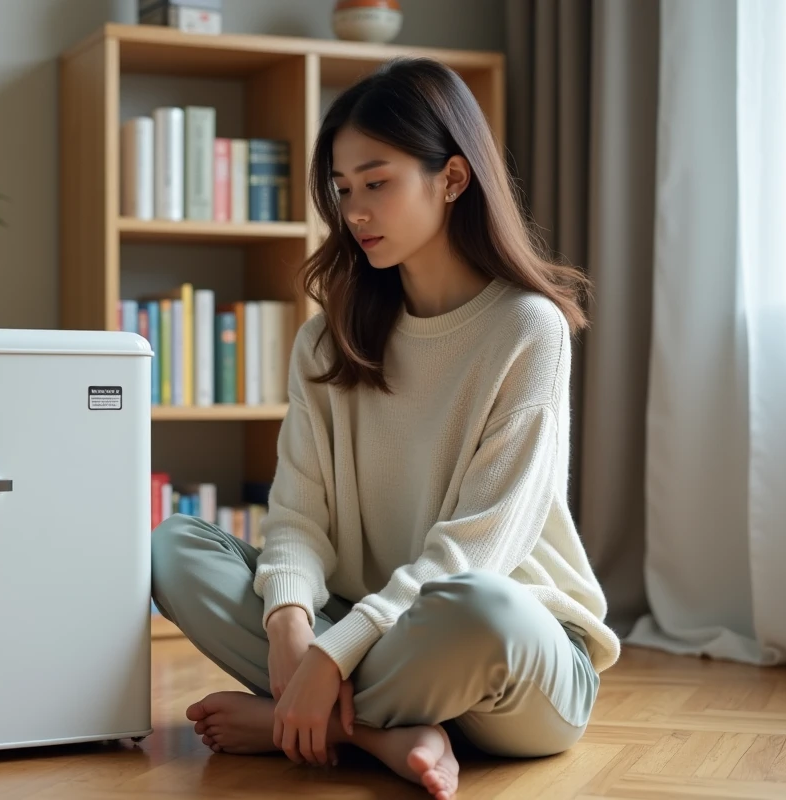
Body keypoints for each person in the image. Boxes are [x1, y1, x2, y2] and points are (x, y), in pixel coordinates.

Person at [149, 57, 621, 800]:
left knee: (480, 605)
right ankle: (375, 732)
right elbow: (299, 515)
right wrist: (293, 628)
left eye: (377, 183)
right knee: (176, 548)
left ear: (453, 179)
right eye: (342, 191)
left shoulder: (528, 330)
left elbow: (476, 552)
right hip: (377, 640)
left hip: (514, 663)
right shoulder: (326, 342)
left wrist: (331, 660)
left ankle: (313, 723)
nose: (354, 211)